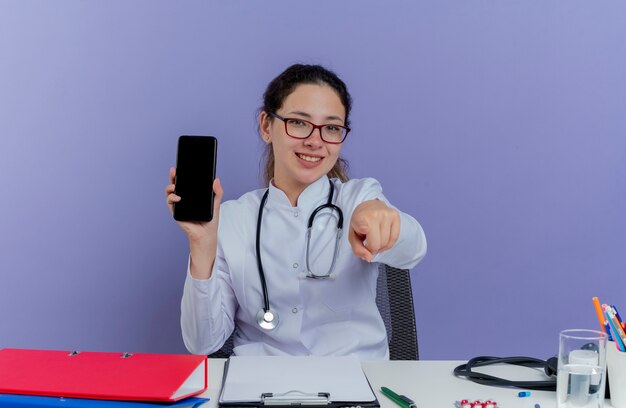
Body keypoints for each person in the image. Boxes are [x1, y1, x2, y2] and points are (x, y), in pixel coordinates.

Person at [165, 64, 427, 359]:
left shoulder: (360, 198)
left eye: (331, 128)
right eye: (299, 123)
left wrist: (384, 219)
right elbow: (202, 344)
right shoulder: (232, 219)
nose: (315, 141)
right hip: (258, 386)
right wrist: (201, 245)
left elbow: (413, 249)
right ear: (267, 126)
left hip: (355, 382)